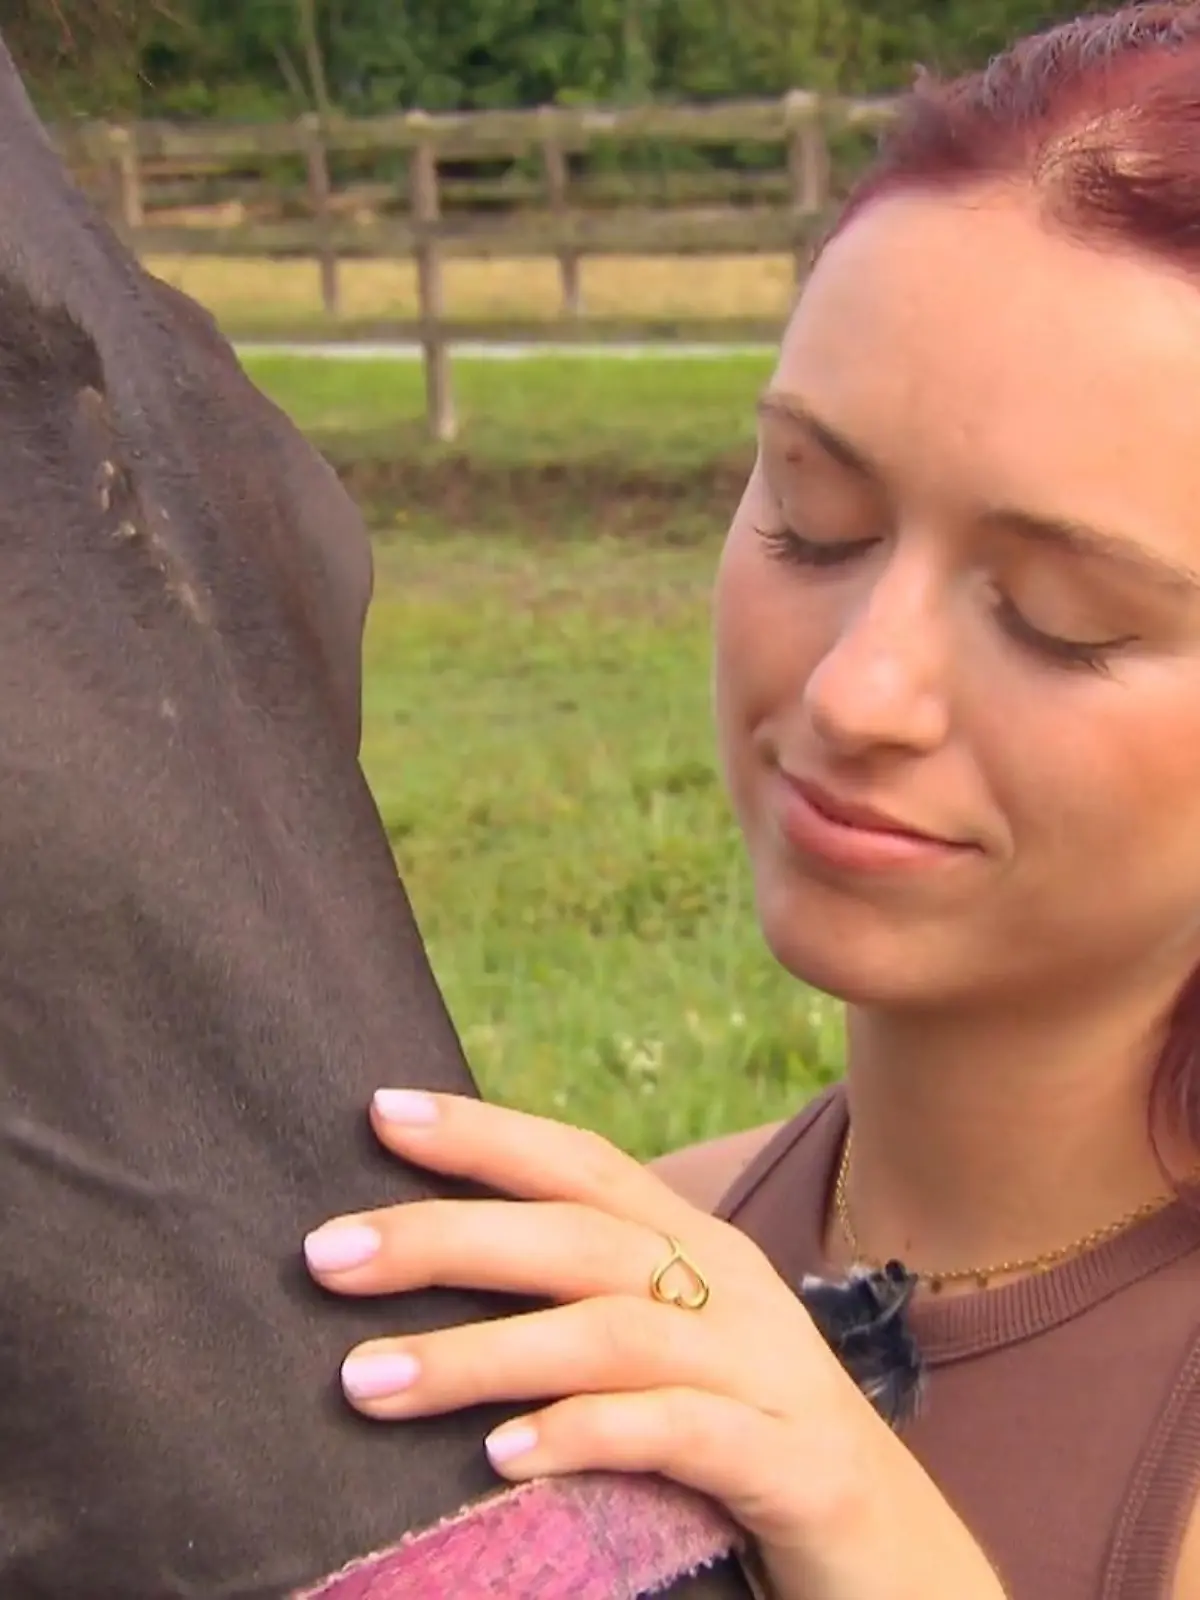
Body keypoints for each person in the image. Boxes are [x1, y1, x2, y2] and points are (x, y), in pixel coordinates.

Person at [299, 5, 1200, 1596]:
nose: (859, 691)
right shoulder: (643, 1265)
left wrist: (877, 1531)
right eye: (812, 514)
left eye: (1064, 615)